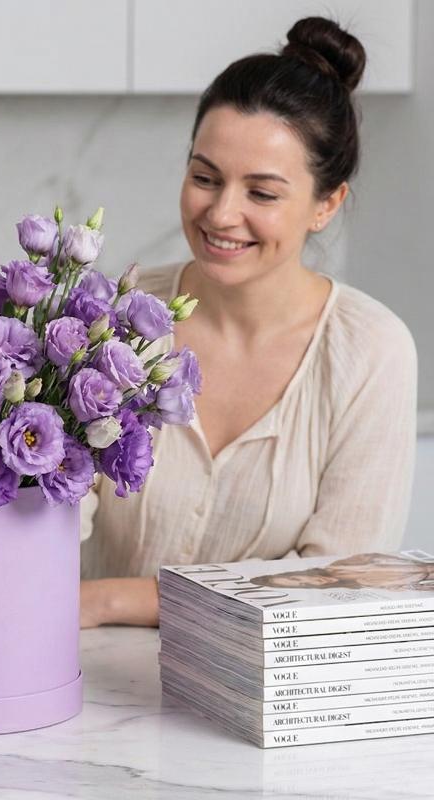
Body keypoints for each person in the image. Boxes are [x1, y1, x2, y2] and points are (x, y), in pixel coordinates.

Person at [79, 16, 418, 628]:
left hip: (275, 683)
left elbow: (340, 583)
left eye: (261, 193)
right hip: (93, 675)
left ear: (326, 203)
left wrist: (109, 600)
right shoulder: (118, 317)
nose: (221, 213)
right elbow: (48, 515)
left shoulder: (372, 351)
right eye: (205, 178)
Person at [250, 553, 434, 592]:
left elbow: (374, 555)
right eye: (302, 585)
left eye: (295, 578)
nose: (313, 581)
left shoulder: (342, 566)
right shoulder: (361, 586)